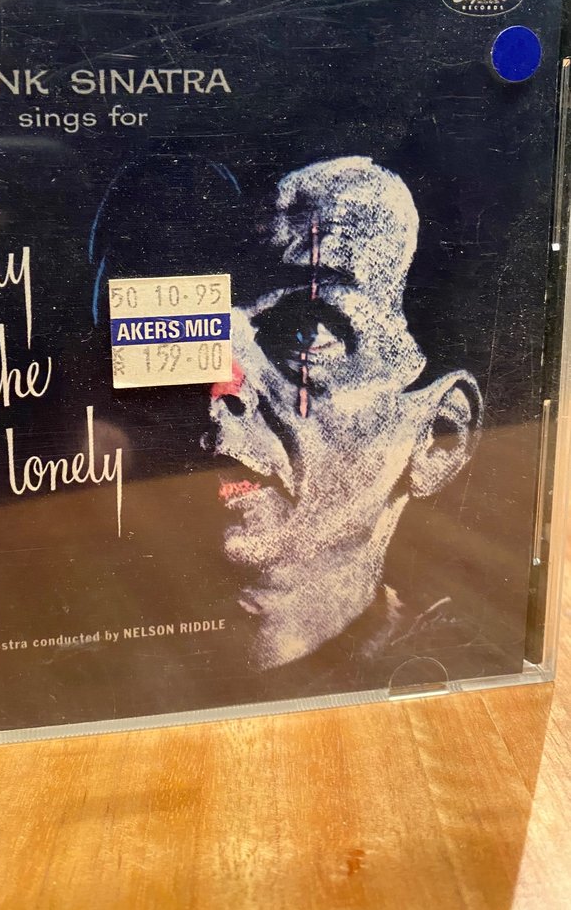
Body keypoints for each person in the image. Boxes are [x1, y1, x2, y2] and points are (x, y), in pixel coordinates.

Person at [202, 156, 483, 673]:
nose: (221, 386)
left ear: (438, 437)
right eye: (187, 333)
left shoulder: (465, 660)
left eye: (306, 331)